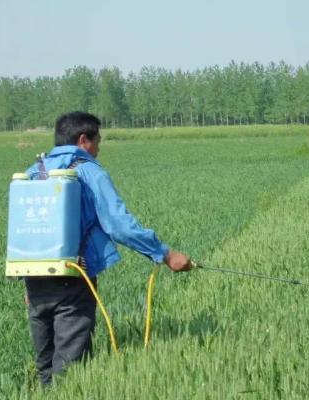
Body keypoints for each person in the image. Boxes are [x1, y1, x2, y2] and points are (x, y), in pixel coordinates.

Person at [23, 111, 192, 386]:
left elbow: (27, 231)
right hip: (75, 280)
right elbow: (120, 225)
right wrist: (165, 254)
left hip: (34, 282)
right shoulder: (88, 171)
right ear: (83, 140)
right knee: (69, 375)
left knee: (46, 371)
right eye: (98, 141)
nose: (99, 149)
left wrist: (26, 283)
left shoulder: (33, 173)